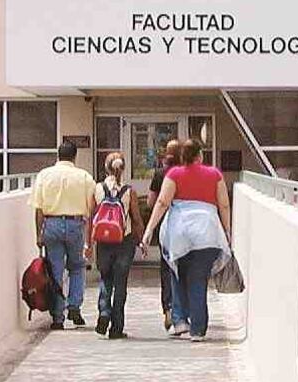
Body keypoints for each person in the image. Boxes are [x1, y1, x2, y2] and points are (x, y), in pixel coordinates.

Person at [141, 138, 230, 341]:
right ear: (200, 155)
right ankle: (198, 329)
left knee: (177, 273)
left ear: (182, 157)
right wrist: (227, 230)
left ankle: (180, 321)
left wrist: (149, 231)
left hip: (179, 233)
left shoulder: (174, 174)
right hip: (207, 233)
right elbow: (224, 205)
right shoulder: (214, 174)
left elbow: (162, 202)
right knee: (198, 280)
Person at [30, 140, 96, 330]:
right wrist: (89, 238)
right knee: (77, 266)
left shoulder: (45, 175)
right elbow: (91, 208)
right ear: (75, 156)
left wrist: (38, 234)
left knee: (55, 270)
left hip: (51, 224)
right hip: (75, 223)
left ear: (58, 155)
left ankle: (57, 316)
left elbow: (39, 209)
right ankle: (74, 305)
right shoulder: (84, 176)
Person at [91, 152, 144, 340]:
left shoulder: (97, 189)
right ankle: (116, 328)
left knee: (105, 278)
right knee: (120, 285)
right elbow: (136, 219)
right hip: (124, 241)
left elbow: (92, 218)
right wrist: (142, 240)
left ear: (106, 168)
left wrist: (89, 244)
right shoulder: (129, 191)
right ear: (123, 169)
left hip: (104, 242)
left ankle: (104, 311)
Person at [149, 138, 181, 330]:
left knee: (166, 267)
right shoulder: (186, 173)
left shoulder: (160, 174)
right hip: (185, 224)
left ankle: (168, 308)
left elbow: (152, 203)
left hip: (165, 226)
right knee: (183, 267)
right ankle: (180, 311)